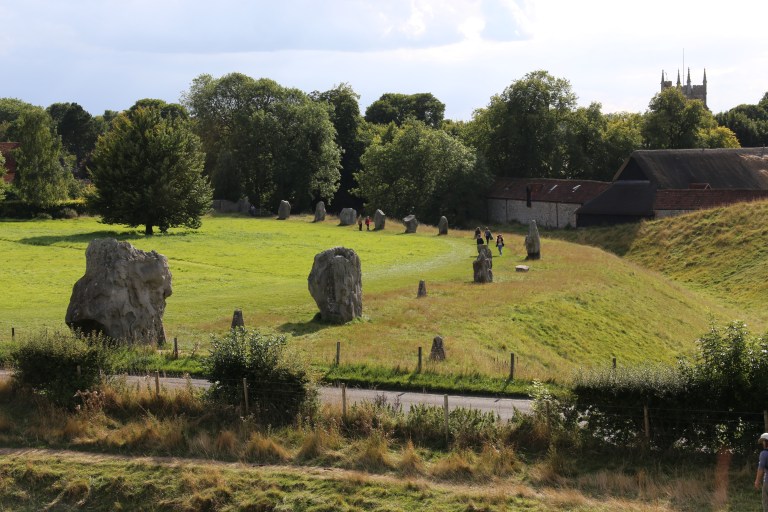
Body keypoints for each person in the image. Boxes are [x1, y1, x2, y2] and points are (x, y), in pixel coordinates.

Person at [757, 433, 768, 511]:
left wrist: (757, 481)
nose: (762, 443)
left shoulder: (764, 454)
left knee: (766, 501)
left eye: (763, 441)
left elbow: (761, 469)